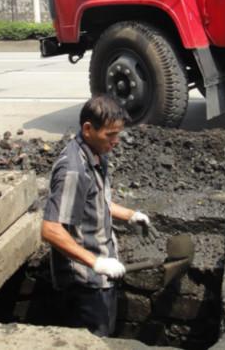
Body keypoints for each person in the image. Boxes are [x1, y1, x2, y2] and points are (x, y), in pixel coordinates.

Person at [41, 95, 151, 337]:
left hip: (101, 275)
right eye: (110, 135)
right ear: (88, 129)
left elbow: (95, 202)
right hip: (85, 283)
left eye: (118, 134)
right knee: (93, 340)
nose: (116, 141)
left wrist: (131, 215)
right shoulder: (74, 171)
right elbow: (51, 229)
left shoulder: (95, 154)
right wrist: (96, 262)